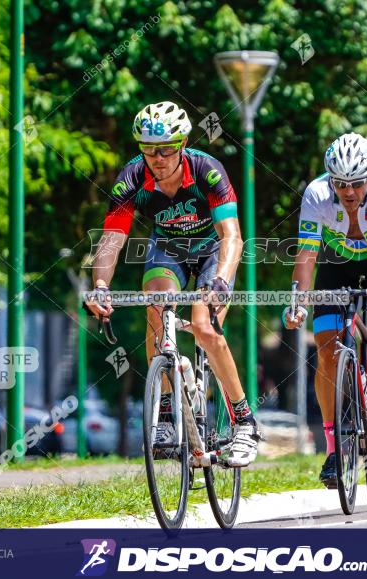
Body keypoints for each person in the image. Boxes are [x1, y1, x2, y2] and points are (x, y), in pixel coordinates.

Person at [85, 101, 259, 467]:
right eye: (148, 150)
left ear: (181, 145)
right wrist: (100, 284)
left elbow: (232, 235)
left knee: (203, 326)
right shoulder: (132, 178)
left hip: (213, 249)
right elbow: (112, 239)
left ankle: (245, 423)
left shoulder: (208, 171)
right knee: (158, 305)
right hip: (167, 249)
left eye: (165, 149)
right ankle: (167, 408)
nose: (157, 158)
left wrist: (222, 282)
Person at [283, 133, 367, 487]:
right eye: (340, 183)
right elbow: (306, 256)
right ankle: (335, 448)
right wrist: (298, 302)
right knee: (326, 352)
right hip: (335, 266)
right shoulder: (317, 194)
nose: (348, 191)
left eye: (356, 183)